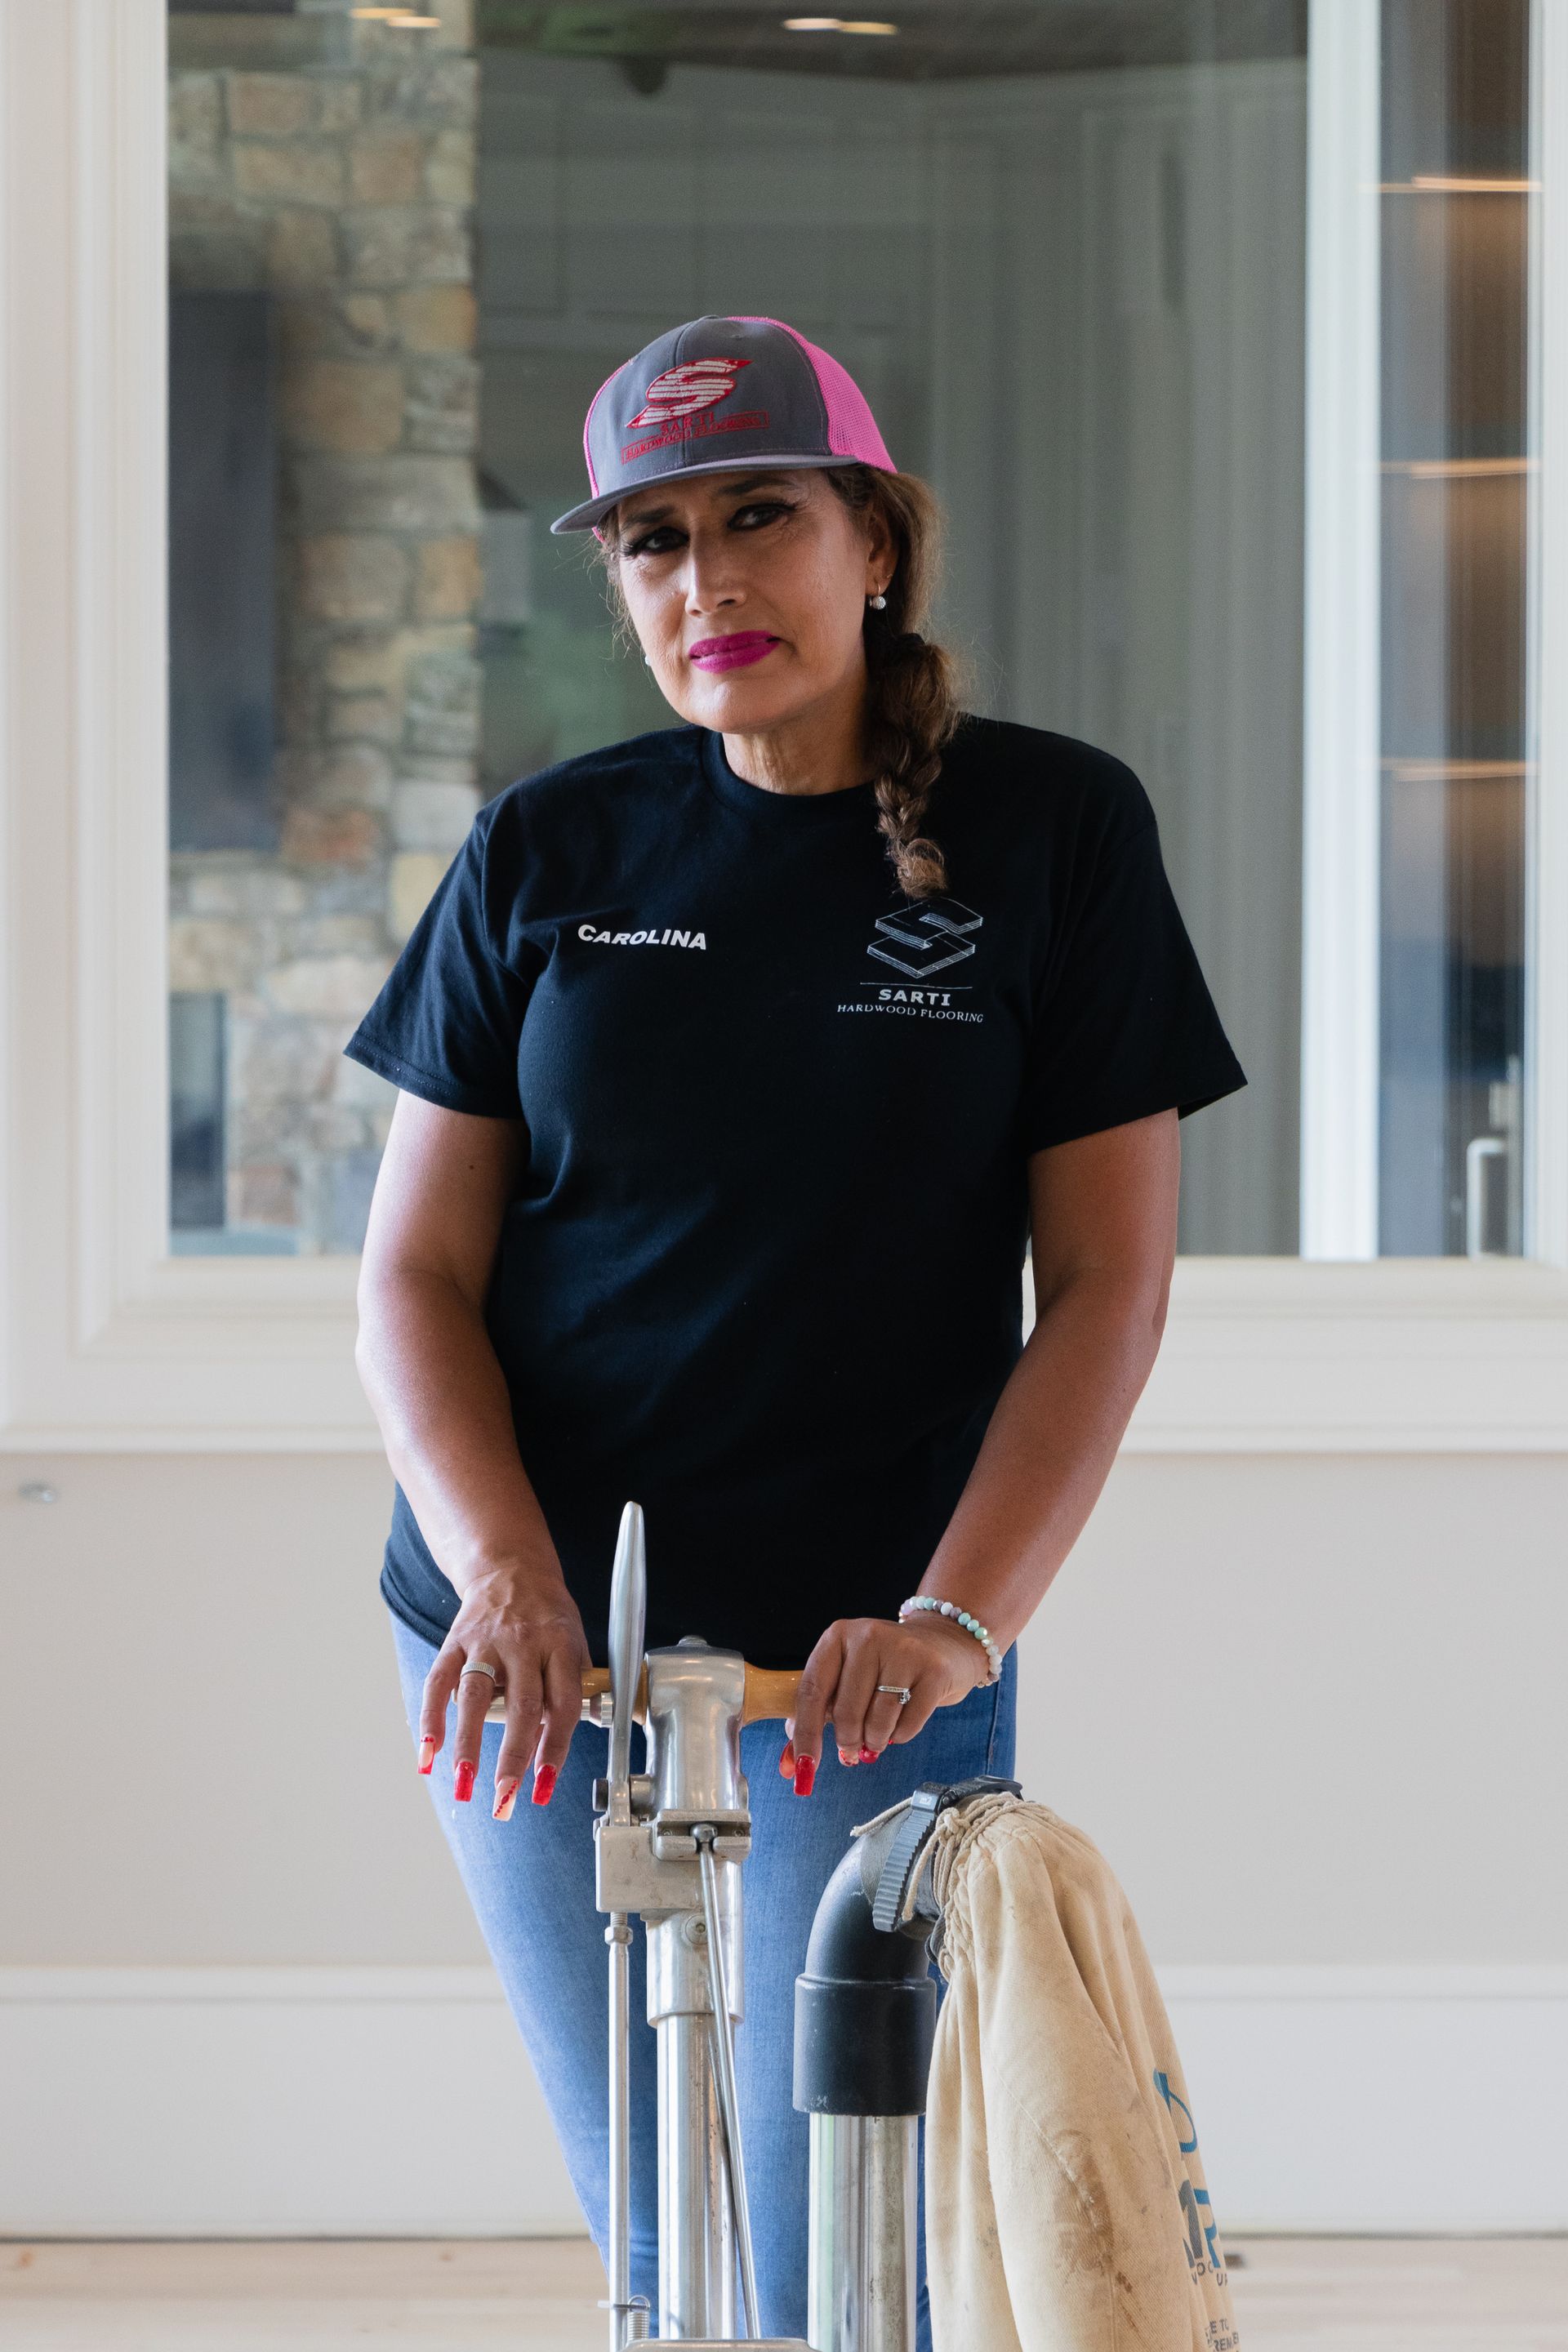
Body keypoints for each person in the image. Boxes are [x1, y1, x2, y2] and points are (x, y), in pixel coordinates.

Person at [347, 313, 1245, 2343]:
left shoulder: (1053, 834)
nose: (710, 582)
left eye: (762, 515)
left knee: (864, 2251)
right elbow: (410, 1278)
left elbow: (1106, 1284)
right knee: (671, 2250)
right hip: (533, 1629)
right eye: (652, 543)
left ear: (877, 541)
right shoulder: (549, 849)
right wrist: (502, 1572)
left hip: (865, 1647)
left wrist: (958, 1621)